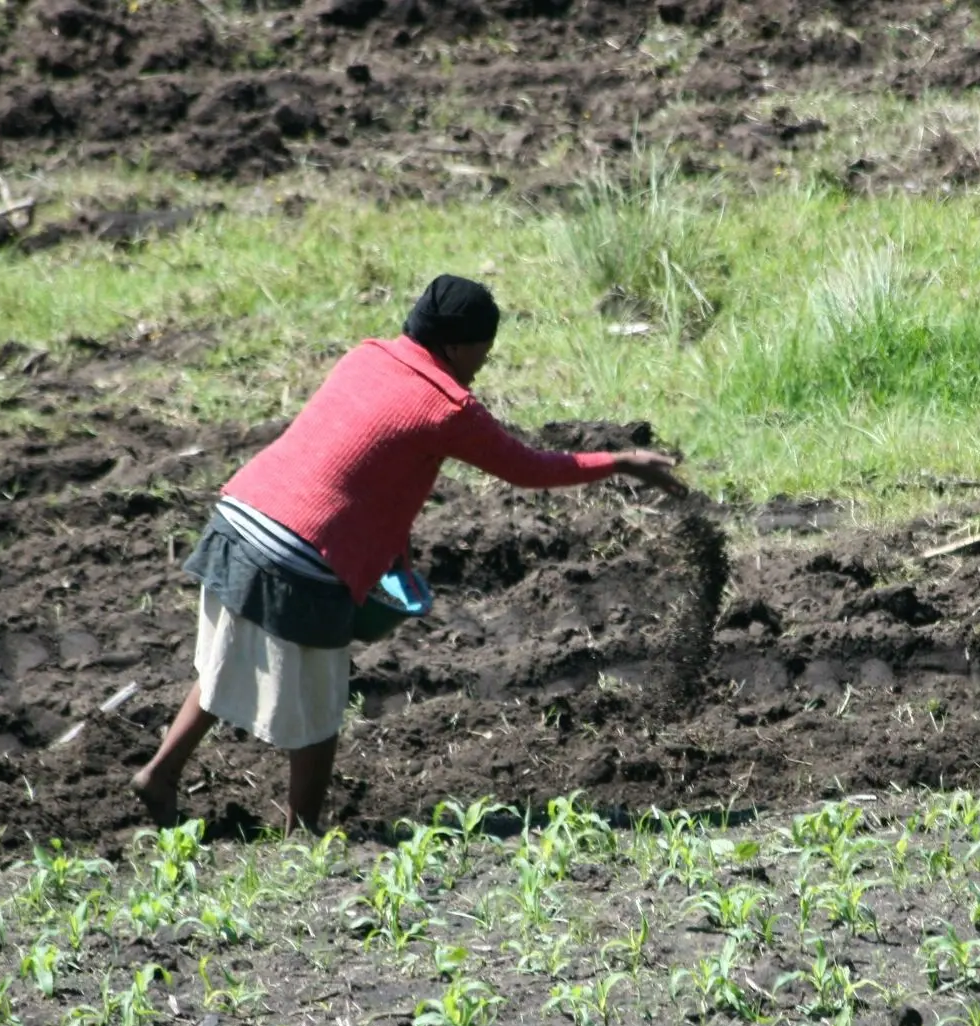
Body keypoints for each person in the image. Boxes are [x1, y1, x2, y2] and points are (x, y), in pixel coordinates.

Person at [131, 275, 685, 834]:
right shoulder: (447, 406)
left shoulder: (366, 357)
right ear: (455, 345)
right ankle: (303, 835)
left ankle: (160, 774)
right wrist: (618, 462)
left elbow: (368, 473)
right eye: (482, 353)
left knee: (225, 659)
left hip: (238, 517)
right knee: (324, 705)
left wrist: (392, 555)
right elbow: (528, 468)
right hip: (295, 555)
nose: (482, 365)